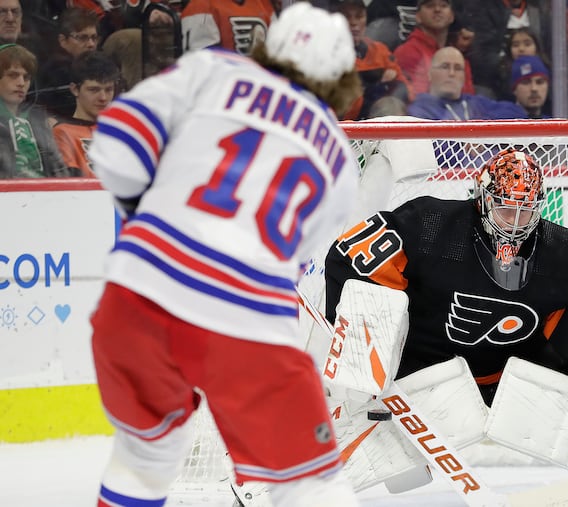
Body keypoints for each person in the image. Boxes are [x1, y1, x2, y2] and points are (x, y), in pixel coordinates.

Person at [87, 3, 362, 507]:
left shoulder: (213, 69)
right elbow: (295, 265)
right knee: (310, 483)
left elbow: (117, 145)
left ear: (267, 45)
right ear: (344, 82)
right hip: (246, 319)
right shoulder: (340, 160)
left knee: (144, 458)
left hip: (136, 294)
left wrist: (148, 214)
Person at [324, 148, 568, 407]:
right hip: (417, 378)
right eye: (506, 210)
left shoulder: (564, 252)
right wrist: (358, 350)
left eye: (525, 211)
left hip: (511, 386)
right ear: (484, 200)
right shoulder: (430, 225)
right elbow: (352, 257)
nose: (515, 223)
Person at [332, 0, 412, 120]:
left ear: (366, 18)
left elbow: (407, 89)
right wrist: (376, 87)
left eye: (359, 16)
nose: (354, 23)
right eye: (346, 17)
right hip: (345, 125)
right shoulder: (328, 55)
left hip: (382, 119)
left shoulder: (379, 50)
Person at [0, 44, 68, 178]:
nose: (21, 83)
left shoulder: (39, 121)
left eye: (26, 78)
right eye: (13, 75)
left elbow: (60, 171)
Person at [457, 0, 550, 98]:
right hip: (496, 84)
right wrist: (508, 68)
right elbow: (482, 52)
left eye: (527, 44)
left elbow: (550, 53)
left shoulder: (540, 12)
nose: (521, 49)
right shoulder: (484, 9)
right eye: (516, 45)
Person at [407, 46, 526, 120]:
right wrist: (466, 145)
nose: (452, 73)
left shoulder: (474, 103)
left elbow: (517, 112)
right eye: (445, 67)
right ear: (429, 74)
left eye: (458, 68)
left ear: (464, 77)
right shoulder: (421, 107)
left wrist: (482, 125)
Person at [52, 51, 119, 177]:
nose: (103, 97)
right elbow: (68, 186)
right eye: (94, 90)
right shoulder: (63, 132)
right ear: (74, 89)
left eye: (109, 89)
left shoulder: (120, 130)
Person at [393, 0, 475, 97]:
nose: (437, 9)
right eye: (430, 6)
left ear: (452, 16)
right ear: (418, 17)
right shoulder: (407, 52)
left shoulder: (457, 55)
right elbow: (417, 100)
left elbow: (469, 98)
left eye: (443, 6)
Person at [35, 7, 101, 120]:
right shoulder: (55, 71)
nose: (91, 44)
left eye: (94, 38)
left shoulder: (99, 64)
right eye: (82, 38)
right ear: (63, 40)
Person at [181, 0, 276, 55]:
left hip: (261, 80)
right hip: (224, 83)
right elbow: (202, 63)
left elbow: (278, 49)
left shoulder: (263, 4)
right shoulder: (201, 5)